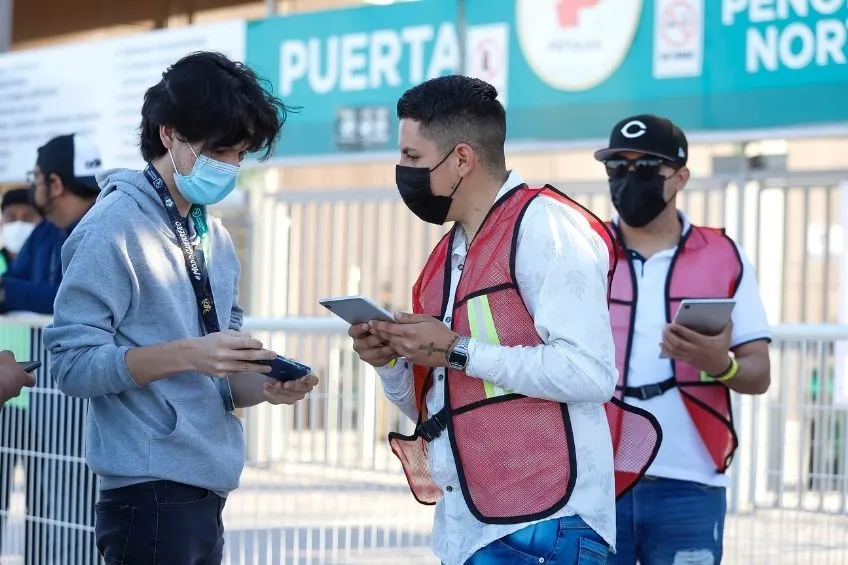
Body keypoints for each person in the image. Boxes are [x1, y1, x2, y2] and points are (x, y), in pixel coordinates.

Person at [349, 75, 659, 565]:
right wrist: (391, 361)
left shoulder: (545, 226)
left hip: (548, 527)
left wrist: (456, 349)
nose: (401, 170)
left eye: (412, 157)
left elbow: (590, 373)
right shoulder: (450, 251)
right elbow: (440, 407)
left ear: (462, 159)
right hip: (470, 522)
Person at [43, 50, 318, 565]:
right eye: (221, 150)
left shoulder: (213, 232)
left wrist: (266, 386)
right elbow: (72, 365)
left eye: (241, 154)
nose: (232, 165)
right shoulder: (113, 226)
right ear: (169, 134)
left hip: (203, 485)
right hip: (146, 492)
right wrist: (192, 353)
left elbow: (217, 379)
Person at [593, 114, 771, 565]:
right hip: (596, 477)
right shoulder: (585, 252)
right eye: (618, 168)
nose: (630, 180)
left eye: (647, 168)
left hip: (690, 483)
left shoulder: (724, 256)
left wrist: (720, 363)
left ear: (680, 177)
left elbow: (759, 373)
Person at [0, 134, 102, 314]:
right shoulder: (45, 230)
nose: (33, 185)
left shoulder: (107, 230)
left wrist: (7, 292)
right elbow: (13, 278)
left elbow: (81, 301)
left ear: (55, 184)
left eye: (37, 177)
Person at [0, 188, 42, 275]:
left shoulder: (51, 264)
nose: (18, 224)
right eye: (11, 217)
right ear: (1, 224)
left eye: (27, 218)